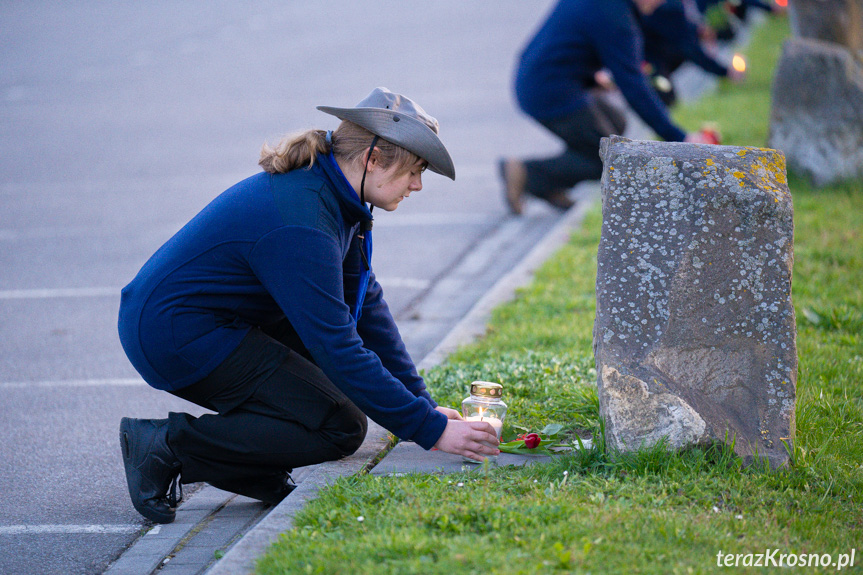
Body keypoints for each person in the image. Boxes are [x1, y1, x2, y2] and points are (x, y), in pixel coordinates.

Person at [117, 87, 501, 524]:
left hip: (222, 321)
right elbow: (336, 344)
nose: (416, 185)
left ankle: (249, 470)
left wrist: (422, 405)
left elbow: (366, 306)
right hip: (176, 333)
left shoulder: (335, 195)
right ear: (373, 159)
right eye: (413, 171)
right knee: (339, 425)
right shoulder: (303, 219)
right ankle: (167, 445)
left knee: (332, 401)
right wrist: (432, 432)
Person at [500, 0, 712, 215]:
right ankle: (528, 174)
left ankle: (549, 182)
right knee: (607, 160)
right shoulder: (616, 17)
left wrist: (589, 76)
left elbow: (570, 37)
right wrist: (680, 137)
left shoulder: (611, 7)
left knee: (615, 123)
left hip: (545, 78)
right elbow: (634, 86)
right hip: (550, 93)